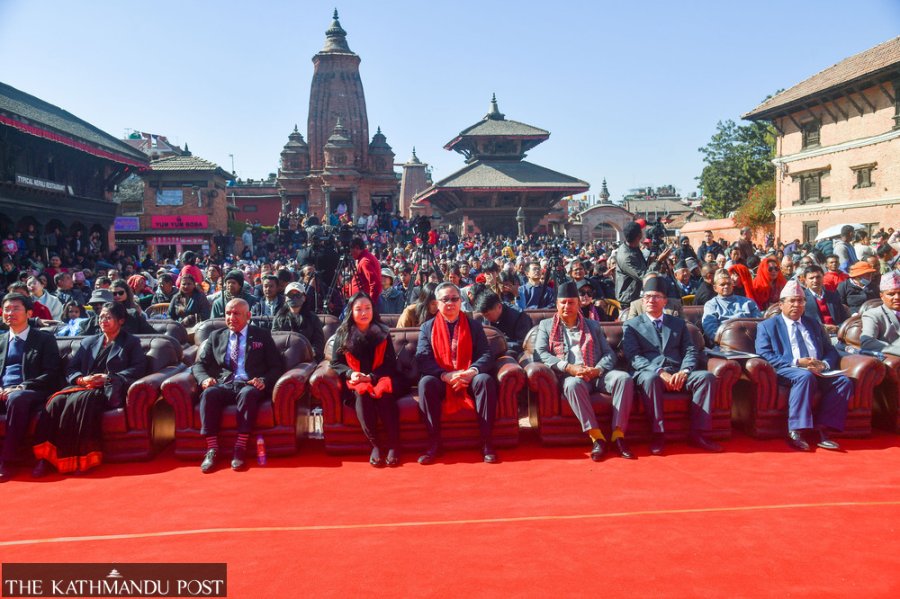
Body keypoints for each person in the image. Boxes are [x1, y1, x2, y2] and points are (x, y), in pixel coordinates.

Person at [32, 302, 145, 476]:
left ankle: (81, 459)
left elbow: (138, 368)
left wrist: (108, 378)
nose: (103, 321)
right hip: (83, 385)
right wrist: (81, 379)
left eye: (108, 317)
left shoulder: (130, 342)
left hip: (106, 388)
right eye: (101, 317)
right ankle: (45, 458)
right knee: (56, 400)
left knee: (83, 400)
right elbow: (71, 368)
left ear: (121, 320)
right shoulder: (88, 341)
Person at [534, 282, 635, 461]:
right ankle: (597, 437)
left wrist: (598, 369)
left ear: (579, 304)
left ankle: (618, 435)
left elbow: (609, 353)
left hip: (596, 373)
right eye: (563, 303)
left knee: (624, 378)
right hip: (572, 375)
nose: (567, 306)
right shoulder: (546, 325)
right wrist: (568, 367)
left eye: (571, 302)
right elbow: (540, 353)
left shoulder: (593, 325)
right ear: (556, 305)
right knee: (573, 384)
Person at [622, 277, 722, 455]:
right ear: (642, 301)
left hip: (678, 371)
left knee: (706, 378)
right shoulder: (632, 325)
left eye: (656, 297)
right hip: (649, 372)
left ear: (665, 301)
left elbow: (691, 350)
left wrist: (685, 371)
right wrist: (659, 371)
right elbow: (634, 357)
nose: (651, 300)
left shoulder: (678, 323)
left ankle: (699, 434)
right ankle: (658, 434)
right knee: (650, 379)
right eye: (647, 297)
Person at [755, 280, 852, 452]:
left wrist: (824, 363)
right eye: (792, 301)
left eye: (800, 301)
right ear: (781, 304)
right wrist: (797, 363)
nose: (796, 305)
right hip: (786, 369)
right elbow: (764, 354)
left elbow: (830, 350)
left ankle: (822, 430)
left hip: (818, 369)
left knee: (843, 381)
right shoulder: (768, 326)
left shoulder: (813, 323)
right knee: (804, 376)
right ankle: (796, 431)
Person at [193, 299, 285, 473]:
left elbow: (276, 367)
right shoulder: (216, 336)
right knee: (209, 394)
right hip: (225, 383)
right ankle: (212, 449)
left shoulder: (262, 335)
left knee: (248, 394)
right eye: (228, 313)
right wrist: (204, 379)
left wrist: (263, 380)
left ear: (248, 316)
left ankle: (240, 447)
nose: (231, 317)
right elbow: (199, 365)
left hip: (249, 383)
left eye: (236, 314)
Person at [415, 282, 498, 464]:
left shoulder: (474, 325)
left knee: (484, 379)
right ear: (437, 303)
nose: (450, 303)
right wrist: (445, 375)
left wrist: (471, 371)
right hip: (442, 378)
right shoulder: (427, 328)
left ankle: (486, 442)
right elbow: (422, 359)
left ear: (461, 301)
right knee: (426, 383)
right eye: (445, 299)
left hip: (468, 377)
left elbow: (486, 354)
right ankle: (434, 442)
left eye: (454, 299)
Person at [330, 292, 401, 467]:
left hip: (380, 377)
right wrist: (350, 374)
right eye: (359, 309)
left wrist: (372, 377)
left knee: (384, 393)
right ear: (351, 312)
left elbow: (390, 363)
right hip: (356, 379)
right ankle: (375, 445)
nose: (364, 313)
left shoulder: (382, 332)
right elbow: (335, 363)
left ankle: (393, 445)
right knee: (362, 393)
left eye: (367, 308)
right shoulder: (342, 334)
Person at [0, 294, 63, 481]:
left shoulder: (44, 339)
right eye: (7, 309)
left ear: (29, 313)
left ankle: (8, 461)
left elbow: (51, 372)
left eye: (16, 309)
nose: (10, 313)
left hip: (32, 390)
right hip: (3, 391)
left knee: (17, 398)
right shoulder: (1, 341)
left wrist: (21, 386)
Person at [615, 221, 670, 307]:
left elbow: (643, 268)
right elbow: (644, 276)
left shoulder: (633, 247)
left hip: (638, 295)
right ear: (638, 236)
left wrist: (650, 261)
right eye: (641, 231)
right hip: (629, 300)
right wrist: (659, 261)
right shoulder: (626, 257)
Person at [701, 270, 762, 342]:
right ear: (715, 288)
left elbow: (759, 323)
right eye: (722, 284)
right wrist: (724, 340)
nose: (726, 286)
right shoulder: (711, 305)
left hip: (751, 340)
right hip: (725, 344)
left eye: (729, 284)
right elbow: (710, 328)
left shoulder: (748, 302)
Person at [272, 283, 325, 362]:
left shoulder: (312, 318)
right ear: (285, 298)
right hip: (284, 358)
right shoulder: (279, 317)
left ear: (304, 297)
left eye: (298, 294)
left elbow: (319, 341)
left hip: (307, 359)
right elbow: (275, 338)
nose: (294, 298)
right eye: (290, 295)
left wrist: (311, 353)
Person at [475, 291, 531, 356]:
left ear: (499, 306)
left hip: (515, 354)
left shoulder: (519, 316)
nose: (486, 318)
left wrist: (499, 345)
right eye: (484, 316)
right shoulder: (486, 317)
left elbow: (523, 343)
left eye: (488, 315)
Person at [860, 271, 900, 356]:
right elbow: (867, 342)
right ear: (882, 296)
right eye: (891, 294)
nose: (897, 297)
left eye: (899, 293)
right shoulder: (873, 314)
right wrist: (895, 350)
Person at [802, 265, 847, 334]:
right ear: (805, 280)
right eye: (811, 278)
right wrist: (822, 328)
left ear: (823, 277)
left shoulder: (833, 295)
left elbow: (844, 317)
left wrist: (838, 328)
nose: (815, 280)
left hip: (838, 332)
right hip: (817, 335)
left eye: (818, 277)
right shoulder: (802, 299)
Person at [348, 238, 382, 306]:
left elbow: (375, 284)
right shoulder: (365, 258)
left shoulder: (365, 261)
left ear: (357, 248)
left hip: (363, 303)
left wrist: (370, 304)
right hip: (360, 301)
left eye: (351, 249)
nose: (350, 253)